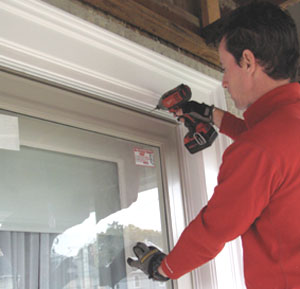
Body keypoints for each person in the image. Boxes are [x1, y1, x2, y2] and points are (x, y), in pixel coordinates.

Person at [127, 2, 300, 288]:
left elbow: (215, 228)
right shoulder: (283, 130)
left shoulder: (259, 149)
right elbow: (271, 146)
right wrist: (211, 115)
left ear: (247, 61)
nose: (223, 82)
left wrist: (164, 268)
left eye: (224, 68)